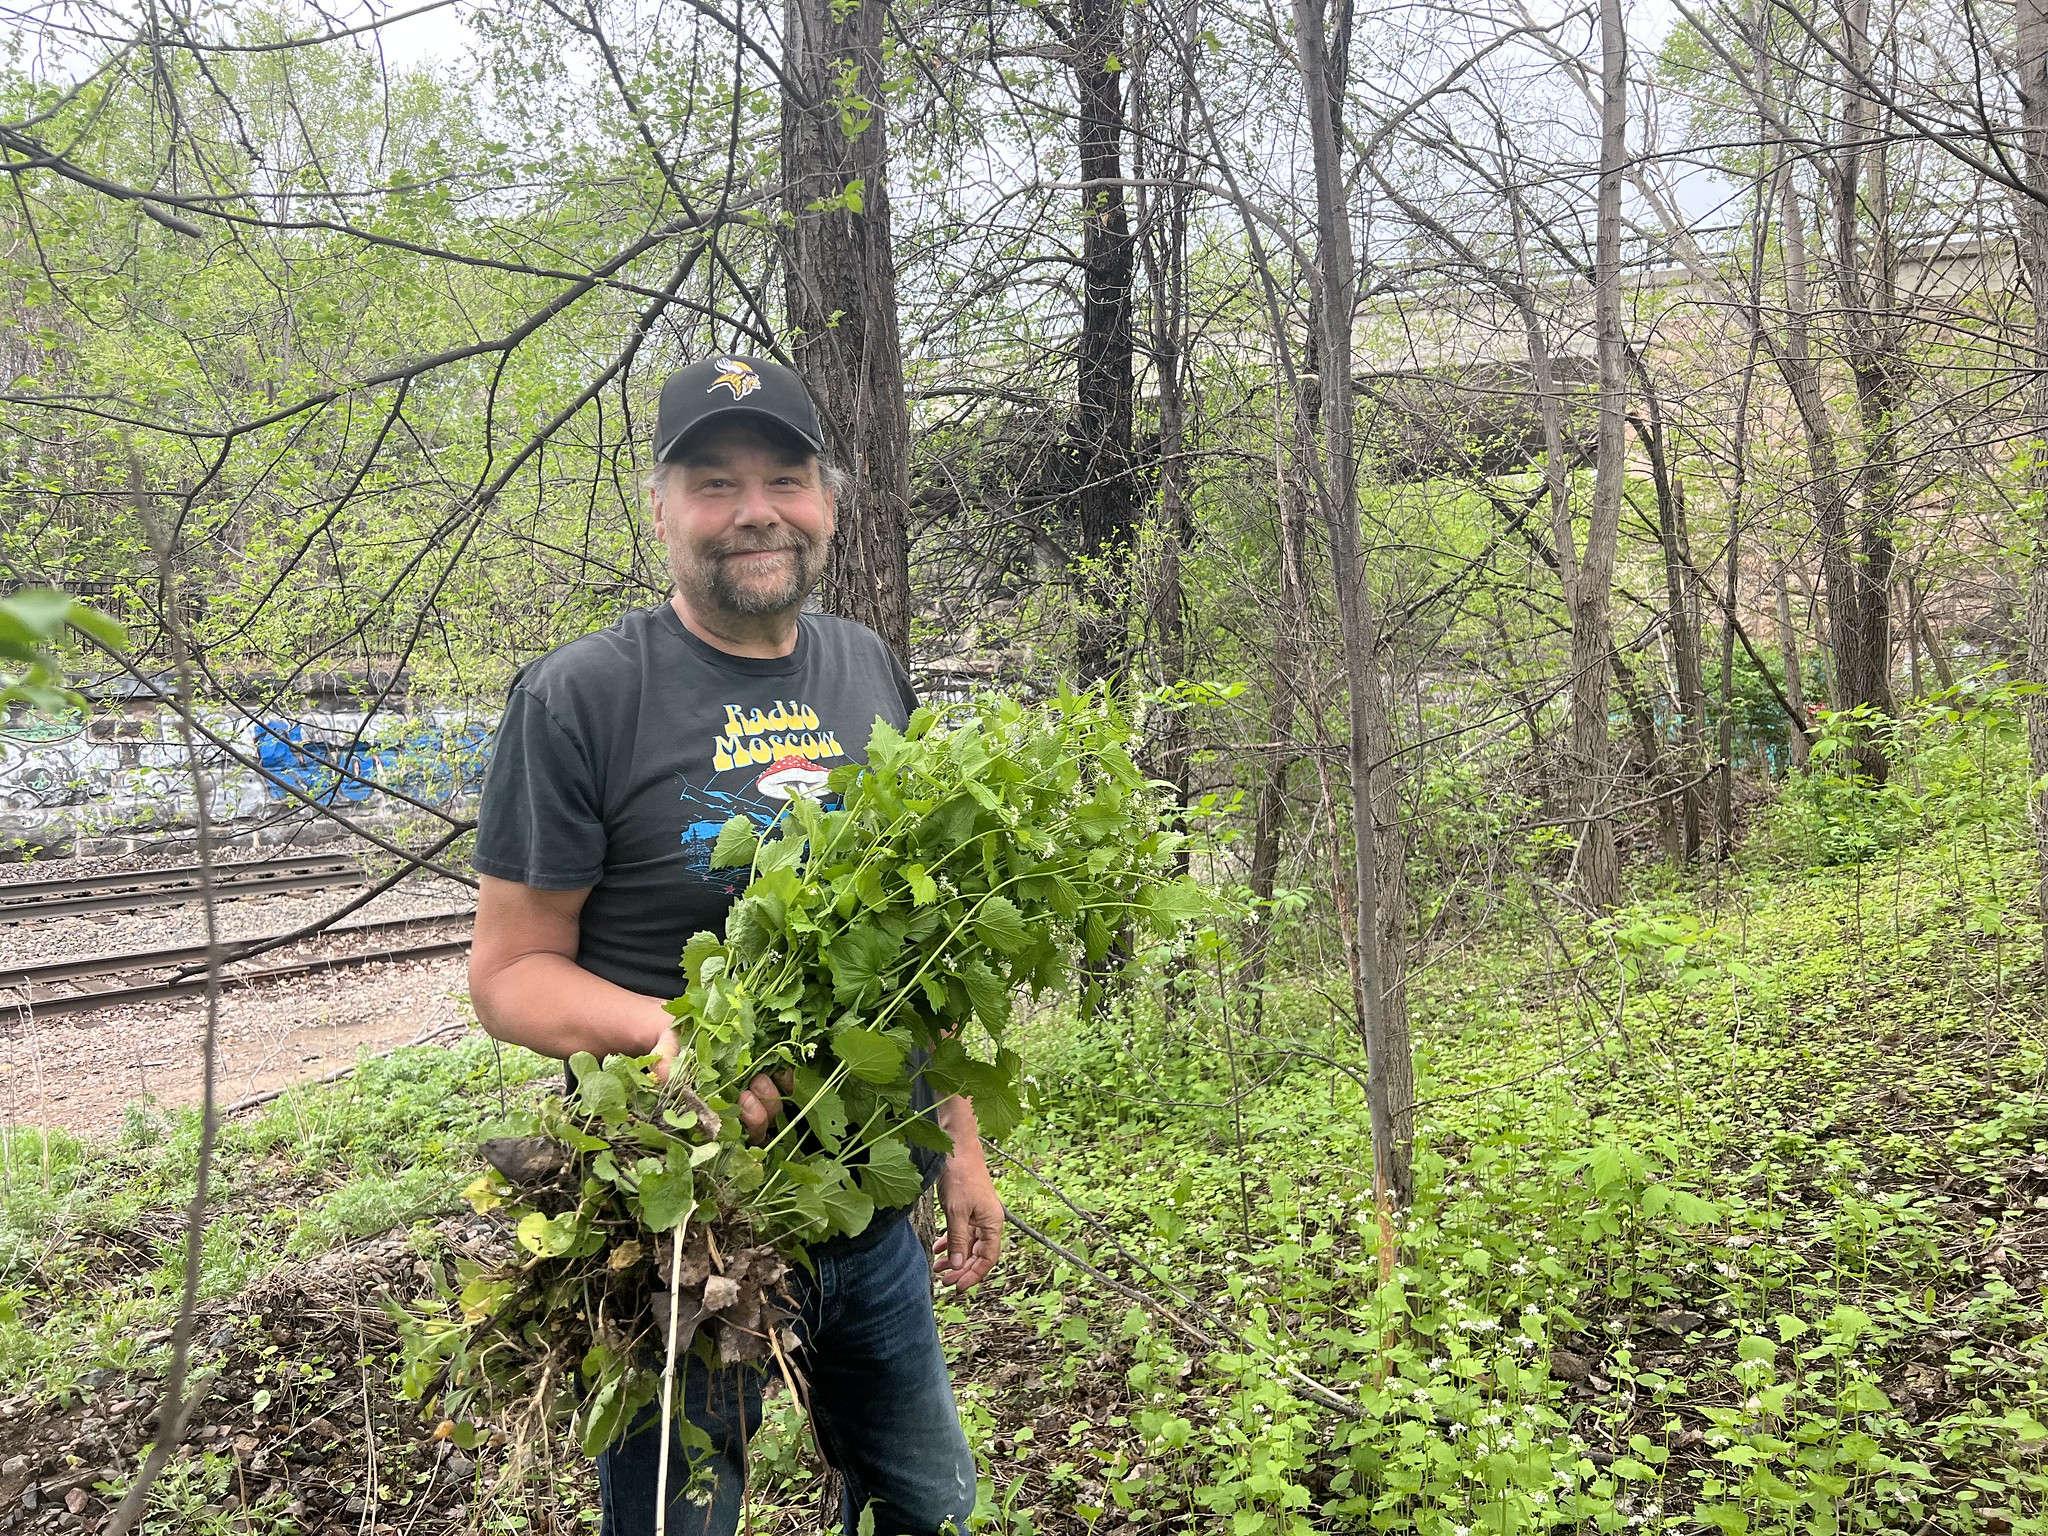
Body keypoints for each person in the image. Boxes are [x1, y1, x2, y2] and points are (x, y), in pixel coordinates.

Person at [466, 354, 1002, 1536]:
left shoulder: (867, 666)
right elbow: (506, 976)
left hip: (873, 1222)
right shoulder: (580, 697)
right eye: (713, 483)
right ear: (659, 512)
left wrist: (957, 1145)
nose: (755, 510)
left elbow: (925, 948)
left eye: (785, 477)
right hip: (687, 1235)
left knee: (927, 1503)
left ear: (828, 500)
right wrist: (665, 1032)